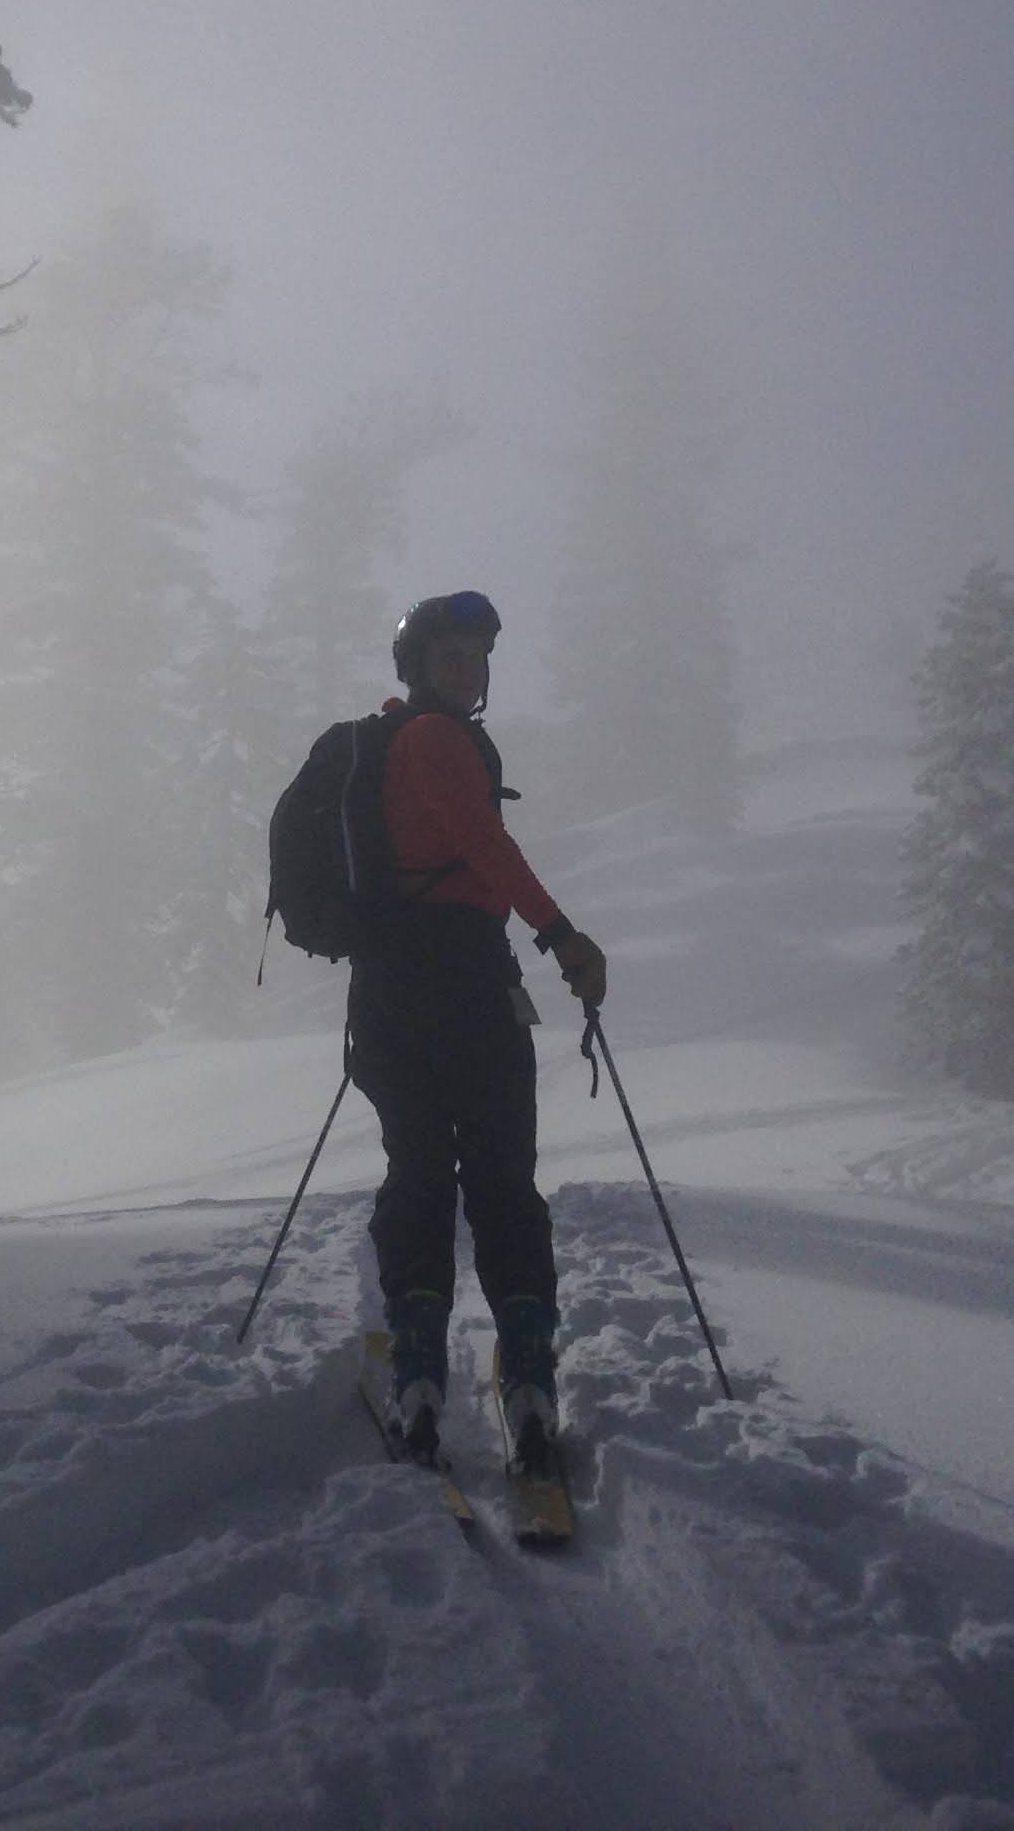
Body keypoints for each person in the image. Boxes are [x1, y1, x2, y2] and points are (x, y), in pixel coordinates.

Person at [350, 589, 606, 1475]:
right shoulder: (434, 740)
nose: (469, 672)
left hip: (388, 994)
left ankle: (419, 1378)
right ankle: (526, 1385)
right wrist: (561, 933)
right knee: (500, 1181)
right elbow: (483, 843)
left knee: (418, 1178)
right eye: (452, 658)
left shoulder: (397, 744)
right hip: (464, 985)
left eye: (478, 658)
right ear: (419, 668)